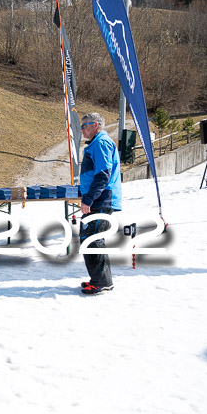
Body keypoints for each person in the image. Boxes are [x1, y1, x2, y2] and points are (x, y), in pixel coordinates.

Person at [78, 112, 122, 295]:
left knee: (92, 239)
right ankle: (100, 280)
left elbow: (103, 174)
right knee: (91, 239)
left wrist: (89, 199)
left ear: (95, 125)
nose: (82, 130)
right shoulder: (97, 143)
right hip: (98, 198)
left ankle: (101, 282)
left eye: (84, 126)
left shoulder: (101, 143)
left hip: (100, 199)